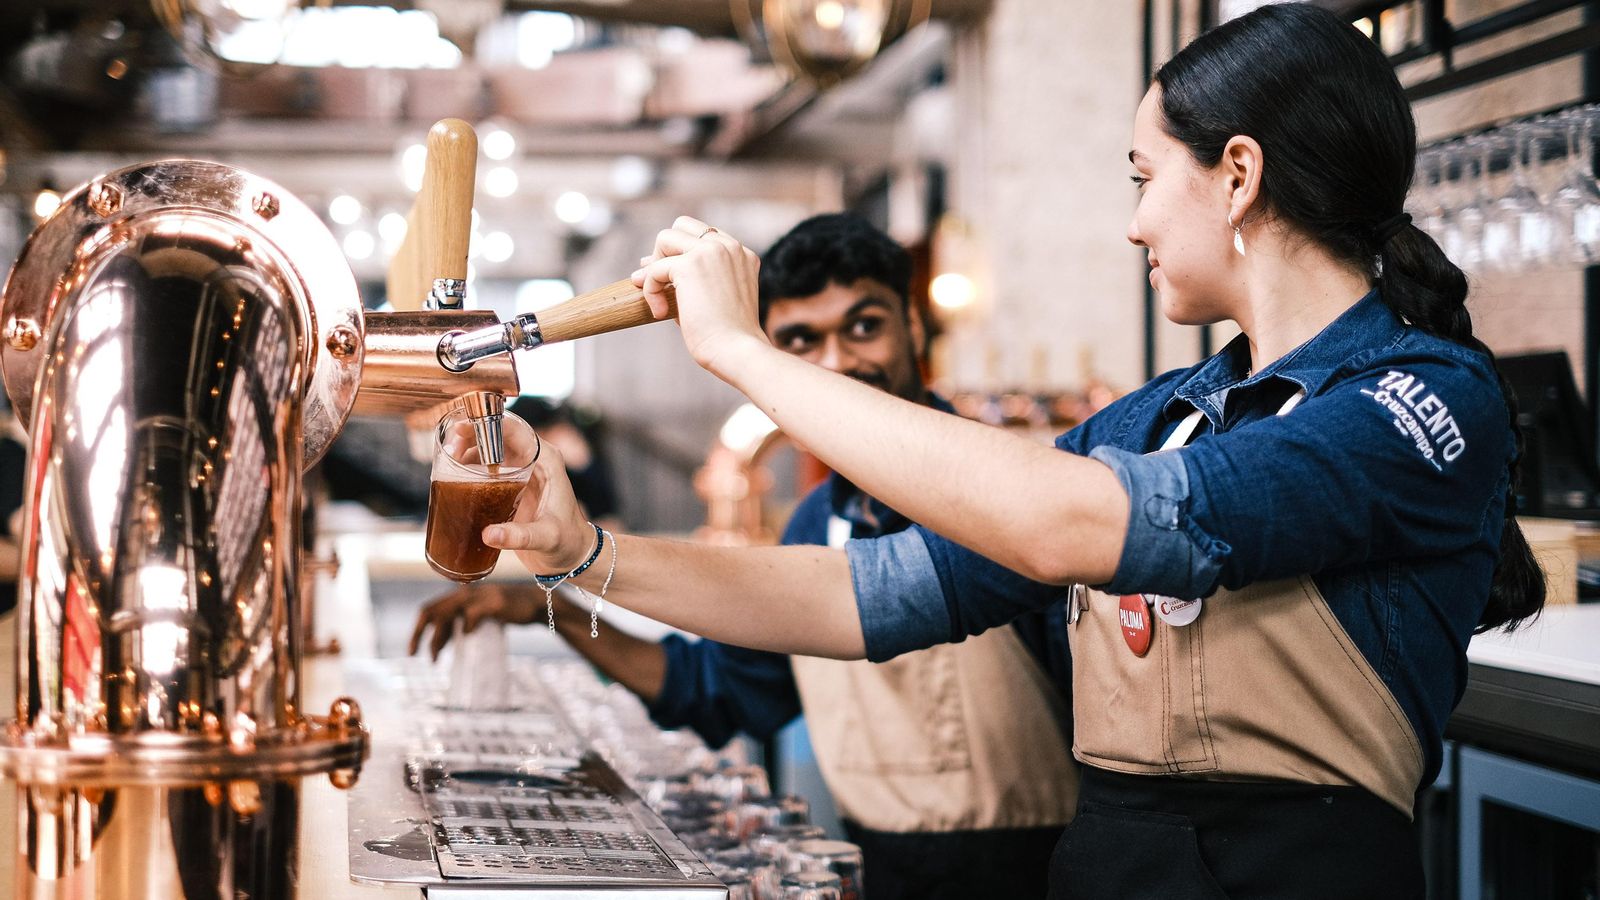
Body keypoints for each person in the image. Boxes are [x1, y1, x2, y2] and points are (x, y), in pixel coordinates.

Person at [487, 6, 1547, 898]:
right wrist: (585, 555)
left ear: (1237, 175)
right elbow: (855, 595)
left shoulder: (1420, 396)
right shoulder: (1158, 418)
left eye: (1142, 178)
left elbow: (1077, 526)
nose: (1134, 224)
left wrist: (743, 353)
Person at [411, 214, 1078, 900]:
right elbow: (715, 689)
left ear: (914, 325)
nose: (836, 363)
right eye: (801, 341)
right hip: (879, 872)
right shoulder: (817, 522)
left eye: (863, 326)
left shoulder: (1000, 497)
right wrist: (550, 606)